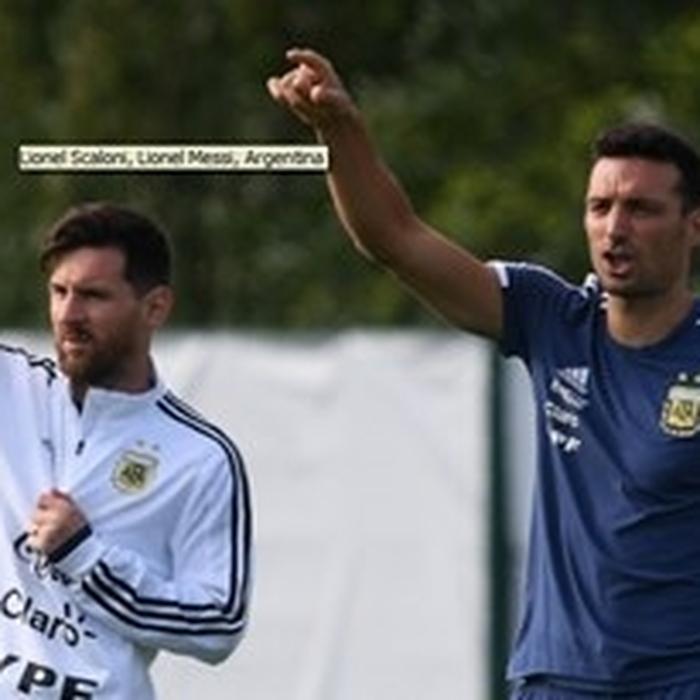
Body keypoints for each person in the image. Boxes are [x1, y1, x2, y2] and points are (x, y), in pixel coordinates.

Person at [268, 49, 700, 698]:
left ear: (693, 227)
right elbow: (394, 238)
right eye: (599, 206)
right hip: (557, 679)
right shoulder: (552, 318)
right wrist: (339, 130)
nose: (615, 228)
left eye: (641, 209)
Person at [0, 203, 252, 699]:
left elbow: (218, 623)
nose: (68, 315)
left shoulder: (200, 458)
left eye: (93, 296)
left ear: (155, 307)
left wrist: (86, 559)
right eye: (59, 292)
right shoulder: (11, 387)